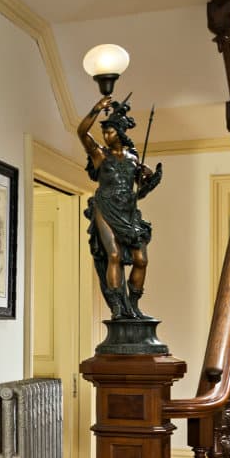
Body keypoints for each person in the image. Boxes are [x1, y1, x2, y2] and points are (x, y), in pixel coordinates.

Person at [77, 95, 163, 320]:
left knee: (141, 259)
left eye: (110, 131)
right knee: (114, 255)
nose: (106, 136)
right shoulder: (99, 154)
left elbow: (138, 193)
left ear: (121, 132)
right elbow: (81, 132)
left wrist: (148, 178)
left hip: (128, 211)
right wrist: (96, 108)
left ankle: (133, 305)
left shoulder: (133, 157)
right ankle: (117, 307)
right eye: (104, 132)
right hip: (105, 208)